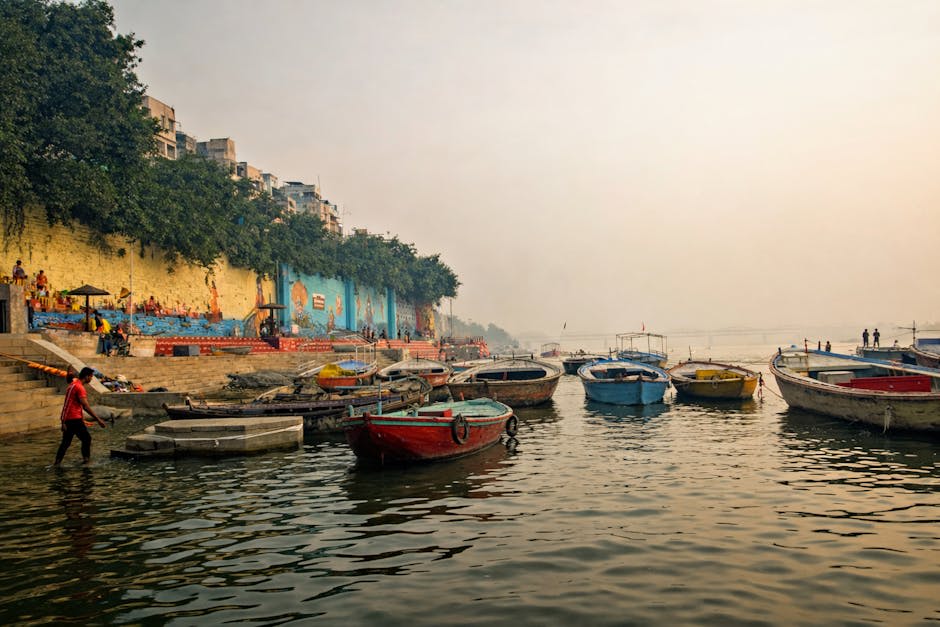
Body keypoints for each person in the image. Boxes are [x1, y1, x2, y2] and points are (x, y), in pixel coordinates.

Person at [54, 367, 105, 466]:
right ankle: (86, 460)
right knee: (86, 439)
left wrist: (63, 421)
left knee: (66, 442)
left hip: (69, 419)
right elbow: (85, 406)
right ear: (87, 376)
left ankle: (57, 463)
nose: (91, 379)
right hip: (74, 419)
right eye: (91, 377)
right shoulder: (79, 387)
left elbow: (67, 404)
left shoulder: (73, 385)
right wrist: (98, 419)